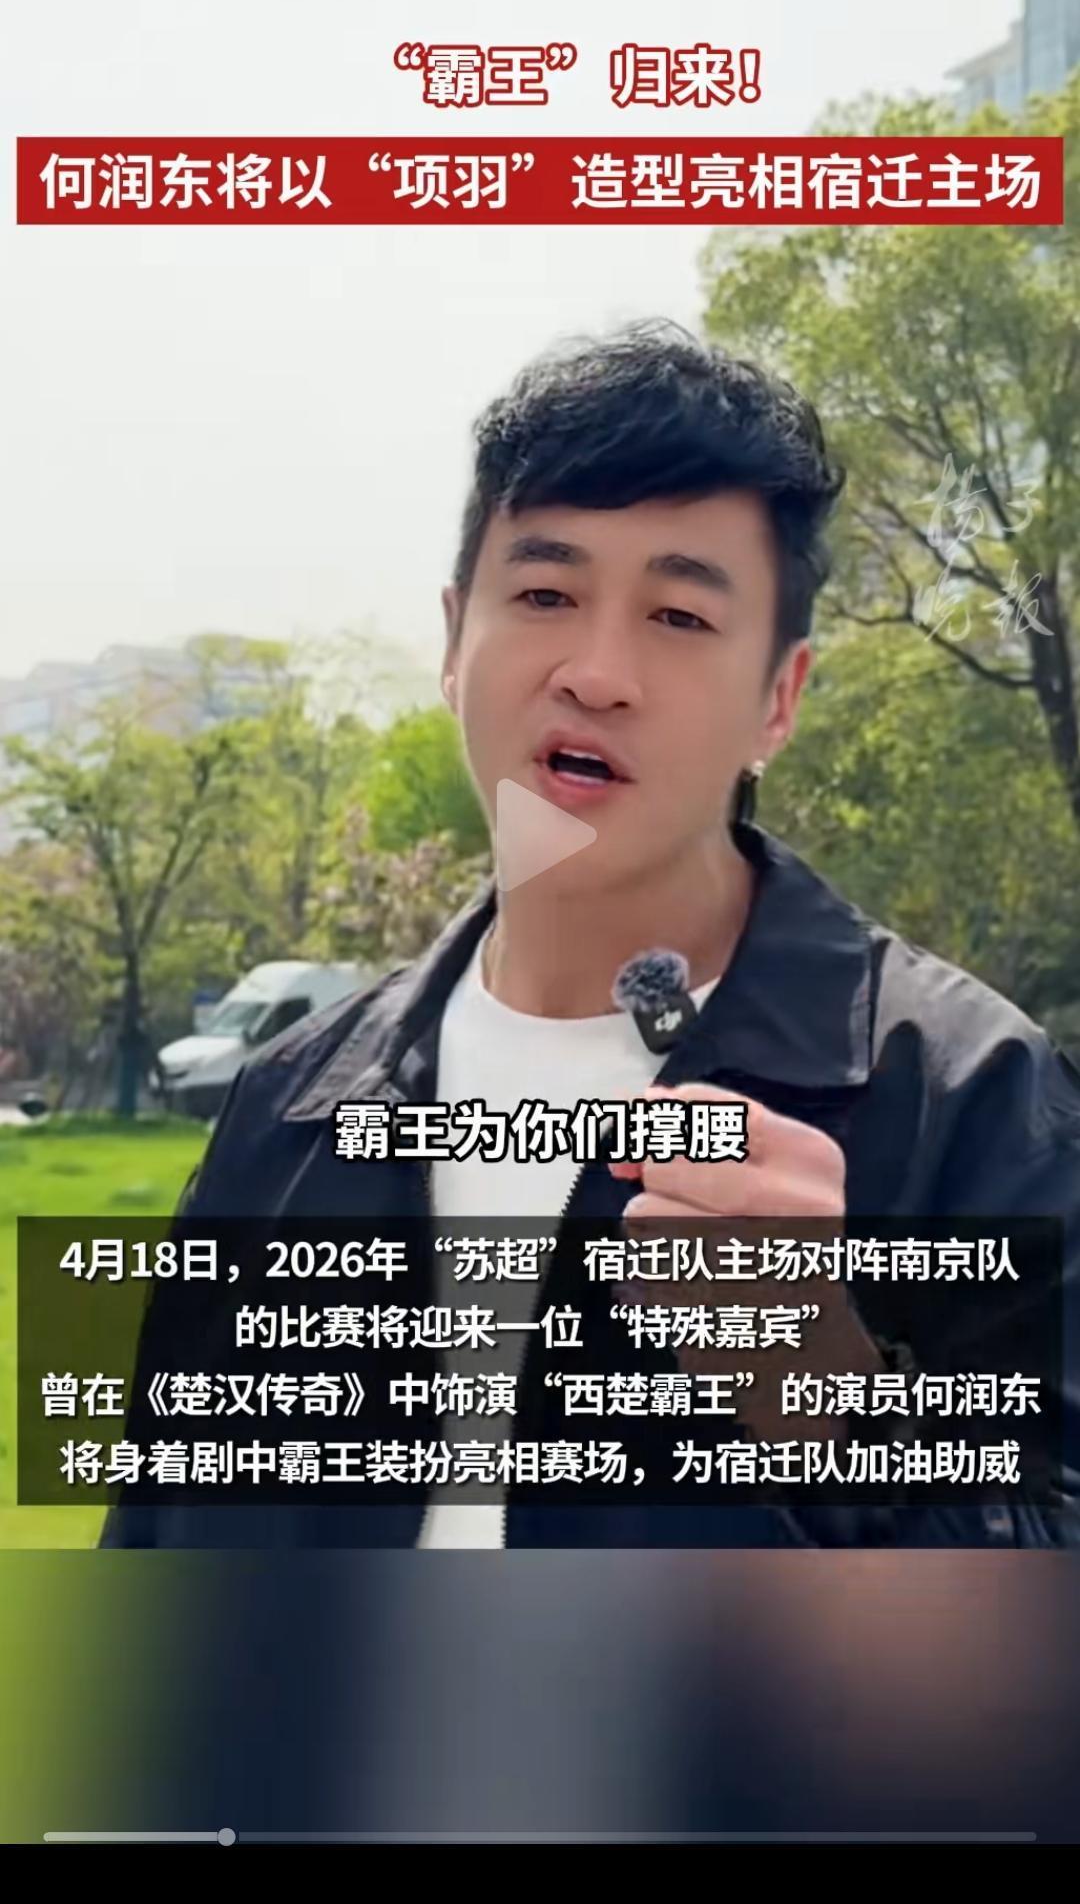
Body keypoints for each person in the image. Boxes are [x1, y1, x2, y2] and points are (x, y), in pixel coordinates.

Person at [101, 320, 1080, 1549]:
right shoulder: (287, 1108)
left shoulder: (973, 1102)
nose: (597, 671)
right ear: (454, 643)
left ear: (778, 700)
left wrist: (832, 1404)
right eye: (546, 594)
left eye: (679, 615)